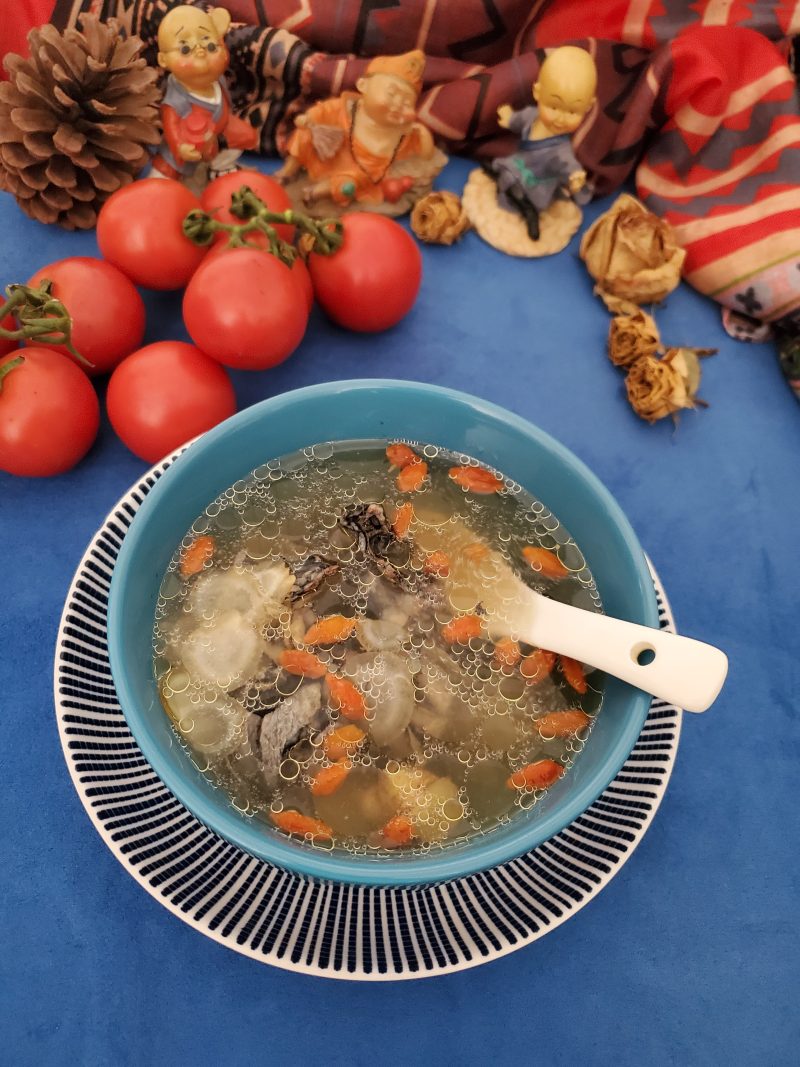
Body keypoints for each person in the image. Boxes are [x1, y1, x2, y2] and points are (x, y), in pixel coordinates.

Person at [276, 49, 435, 206]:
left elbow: (424, 158)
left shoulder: (403, 133)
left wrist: (423, 134)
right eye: (392, 93)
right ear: (363, 85)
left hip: (355, 174)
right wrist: (308, 119)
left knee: (349, 187)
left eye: (407, 102)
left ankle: (315, 194)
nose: (398, 104)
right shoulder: (344, 109)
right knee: (305, 136)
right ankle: (287, 173)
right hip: (327, 154)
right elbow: (322, 112)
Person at [488, 46, 597, 241]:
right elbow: (521, 119)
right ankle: (504, 184)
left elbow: (570, 168)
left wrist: (576, 181)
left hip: (536, 184)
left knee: (514, 186)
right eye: (553, 106)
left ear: (588, 107)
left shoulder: (561, 151)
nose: (560, 118)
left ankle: (528, 212)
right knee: (505, 171)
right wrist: (510, 118)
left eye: (572, 111)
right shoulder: (534, 116)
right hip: (519, 162)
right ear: (538, 92)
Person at [151, 4, 258, 181]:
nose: (200, 51)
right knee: (166, 173)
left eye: (210, 45)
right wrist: (180, 146)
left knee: (245, 135)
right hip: (190, 142)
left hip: (220, 131)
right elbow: (171, 127)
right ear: (163, 60)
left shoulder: (219, 81)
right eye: (185, 49)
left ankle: (220, 167)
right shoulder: (175, 100)